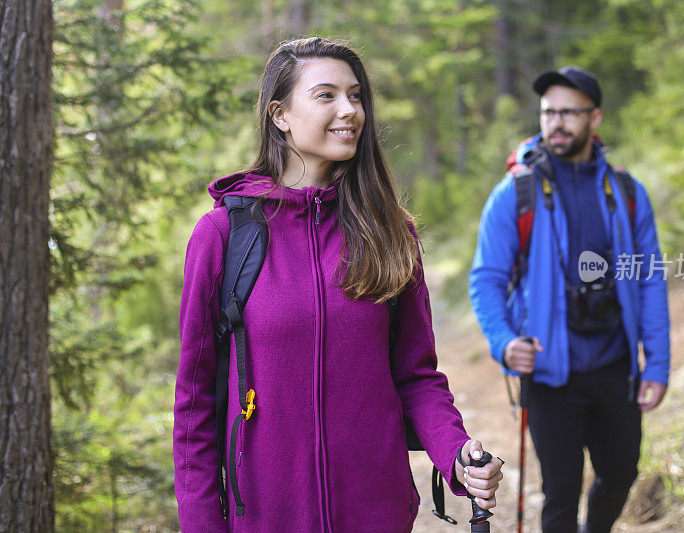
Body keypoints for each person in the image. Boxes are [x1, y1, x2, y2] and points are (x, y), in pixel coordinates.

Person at [173, 37, 503, 532]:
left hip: (378, 514)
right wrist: (203, 524)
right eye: (326, 95)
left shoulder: (388, 230)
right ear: (280, 114)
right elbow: (195, 403)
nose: (349, 110)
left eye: (356, 95)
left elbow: (415, 376)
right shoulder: (223, 236)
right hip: (267, 518)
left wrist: (456, 456)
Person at [469, 66, 670, 533]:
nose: (555, 122)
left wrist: (656, 365)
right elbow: (486, 280)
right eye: (548, 112)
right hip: (548, 372)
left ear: (594, 118)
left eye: (568, 113)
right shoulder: (515, 194)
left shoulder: (626, 192)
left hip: (615, 364)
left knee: (620, 475)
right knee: (560, 492)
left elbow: (650, 280)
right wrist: (502, 342)